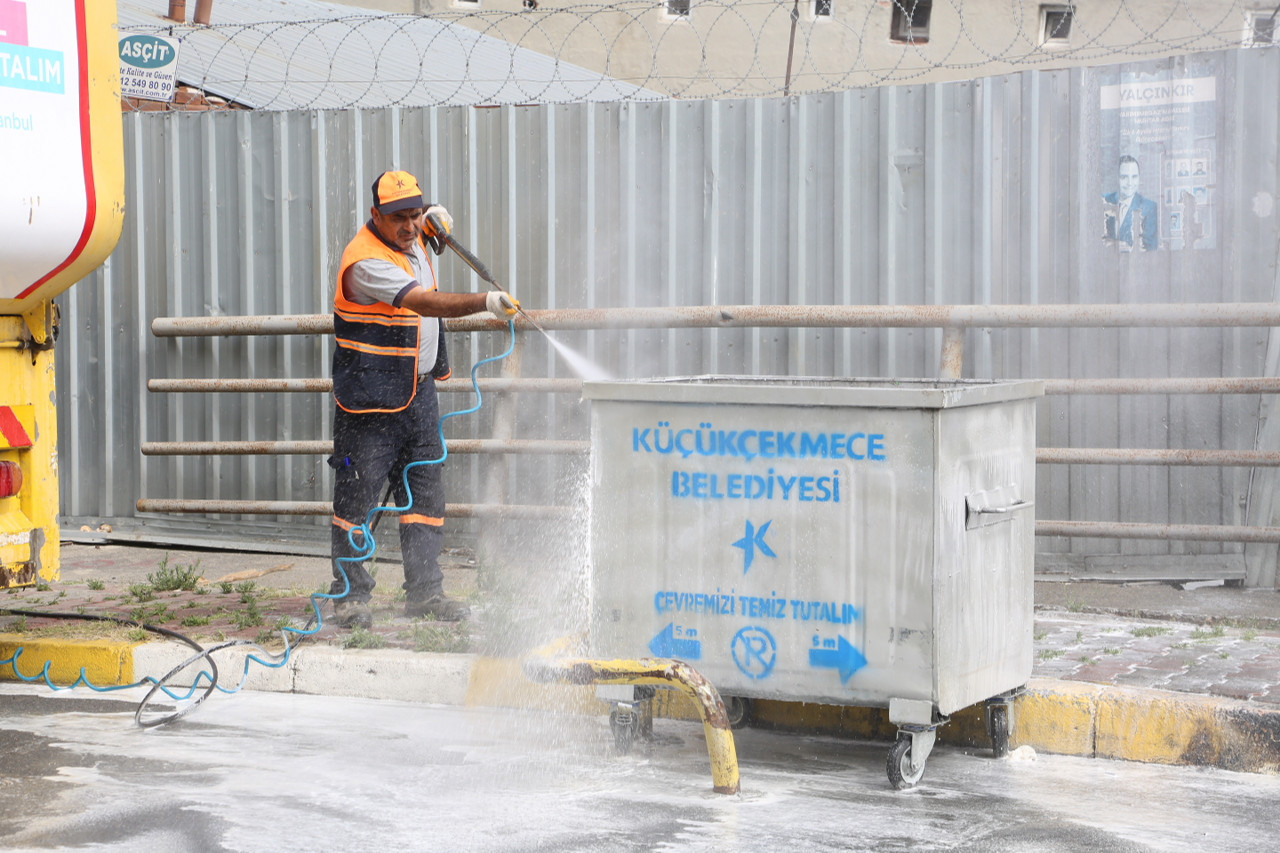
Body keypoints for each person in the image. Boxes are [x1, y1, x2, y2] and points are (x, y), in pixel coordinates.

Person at [328, 170, 519, 629]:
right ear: (376, 215)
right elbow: (423, 302)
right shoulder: (365, 262)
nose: (410, 227)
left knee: (426, 496)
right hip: (370, 400)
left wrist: (430, 220)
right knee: (358, 499)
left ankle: (426, 594)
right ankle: (350, 597)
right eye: (399, 219)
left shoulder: (410, 234)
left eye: (415, 215)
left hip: (417, 393)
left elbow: (419, 229)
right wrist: (484, 301)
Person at [1102, 154, 1158, 251]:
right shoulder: (1103, 200)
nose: (1130, 183)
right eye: (1124, 177)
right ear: (1117, 178)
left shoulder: (1149, 208)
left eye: (1134, 177)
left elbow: (1150, 250)